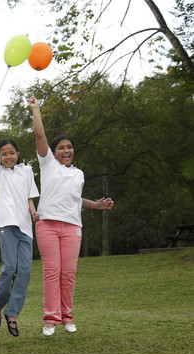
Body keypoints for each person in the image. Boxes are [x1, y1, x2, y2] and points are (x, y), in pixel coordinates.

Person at [30, 95, 114, 336]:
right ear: (53, 152)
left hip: (72, 227)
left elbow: (75, 200)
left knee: (68, 273)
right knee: (52, 271)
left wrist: (97, 206)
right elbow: (39, 136)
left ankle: (67, 317)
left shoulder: (79, 174)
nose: (66, 150)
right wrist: (36, 110)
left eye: (69, 147)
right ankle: (50, 319)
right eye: (61, 148)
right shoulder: (48, 165)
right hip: (47, 225)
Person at [0, 106, 40, 337]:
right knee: (10, 267)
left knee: (25, 271)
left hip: (25, 228)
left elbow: (29, 195)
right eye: (4, 153)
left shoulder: (27, 170)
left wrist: (34, 212)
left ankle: (13, 312)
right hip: (6, 224)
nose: (8, 157)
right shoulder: (0, 172)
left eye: (12, 153)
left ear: (18, 154)